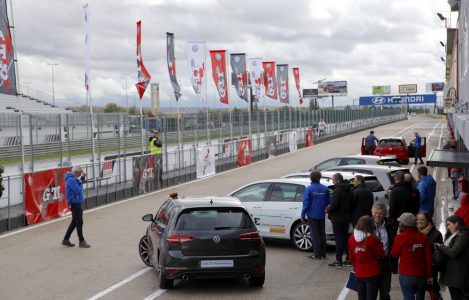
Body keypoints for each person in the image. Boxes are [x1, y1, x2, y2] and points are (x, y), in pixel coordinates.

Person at [391, 212, 432, 300]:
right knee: (420, 297)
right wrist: (429, 275)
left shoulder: (401, 237)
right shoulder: (423, 237)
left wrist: (396, 238)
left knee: (408, 297)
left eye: (400, 222)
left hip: (406, 275)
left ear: (404, 224)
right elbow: (428, 257)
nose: (399, 224)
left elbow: (394, 254)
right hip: (421, 274)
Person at [348, 216, 386, 300]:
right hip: (372, 273)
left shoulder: (351, 238)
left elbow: (351, 257)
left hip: (359, 273)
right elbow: (382, 254)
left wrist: (357, 267)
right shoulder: (372, 239)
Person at [435, 215, 469, 300]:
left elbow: (454, 252)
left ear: (456, 224)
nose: (447, 227)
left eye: (449, 224)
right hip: (454, 274)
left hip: (457, 275)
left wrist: (441, 246)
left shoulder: (462, 236)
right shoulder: (456, 235)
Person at [301, 170, 331, 260]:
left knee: (315, 235)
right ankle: (323, 254)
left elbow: (306, 203)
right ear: (319, 177)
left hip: (312, 215)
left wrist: (303, 214)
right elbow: (328, 202)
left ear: (311, 178)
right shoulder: (325, 188)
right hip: (321, 215)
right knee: (322, 234)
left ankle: (317, 254)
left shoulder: (309, 189)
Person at [371, 202, 398, 300]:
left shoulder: (391, 224)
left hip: (386, 262)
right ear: (372, 212)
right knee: (371, 291)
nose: (377, 215)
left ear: (385, 214)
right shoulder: (367, 225)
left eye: (380, 213)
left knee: (385, 291)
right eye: (375, 213)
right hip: (371, 263)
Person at [327, 173, 353, 267]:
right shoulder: (349, 189)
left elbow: (334, 205)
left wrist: (328, 210)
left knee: (338, 240)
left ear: (338, 180)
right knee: (345, 238)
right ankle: (349, 258)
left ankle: (338, 260)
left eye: (333, 180)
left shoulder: (337, 191)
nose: (332, 182)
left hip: (337, 218)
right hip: (346, 217)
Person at [416, 212, 443, 299]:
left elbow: (439, 252)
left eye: (422, 219)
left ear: (427, 220)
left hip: (431, 267)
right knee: (419, 291)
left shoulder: (436, 234)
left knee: (433, 290)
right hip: (418, 267)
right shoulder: (414, 232)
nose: (419, 221)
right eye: (418, 219)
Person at [62, 166, 90, 248]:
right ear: (76, 172)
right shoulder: (71, 180)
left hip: (75, 203)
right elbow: (78, 190)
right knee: (79, 222)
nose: (79, 176)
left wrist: (83, 177)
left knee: (74, 222)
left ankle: (66, 239)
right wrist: (81, 183)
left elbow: (79, 182)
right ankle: (81, 241)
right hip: (75, 203)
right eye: (79, 174)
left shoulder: (72, 179)